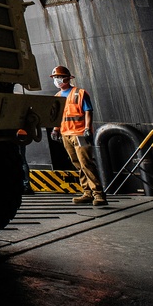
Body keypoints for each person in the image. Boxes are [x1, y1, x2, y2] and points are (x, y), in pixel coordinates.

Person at [50, 66, 107, 206]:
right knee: (77, 164)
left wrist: (87, 128)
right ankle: (87, 193)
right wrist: (55, 130)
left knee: (86, 163)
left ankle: (98, 195)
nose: (57, 80)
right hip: (66, 134)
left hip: (80, 134)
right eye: (55, 78)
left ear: (67, 78)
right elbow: (58, 116)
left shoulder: (80, 93)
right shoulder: (57, 97)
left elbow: (88, 111)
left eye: (59, 77)